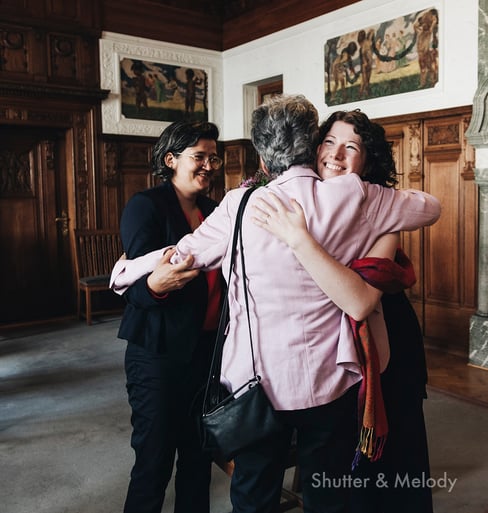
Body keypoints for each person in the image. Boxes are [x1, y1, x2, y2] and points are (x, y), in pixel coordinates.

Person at [110, 94, 441, 513]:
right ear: (313, 145)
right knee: (328, 494)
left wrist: (124, 272)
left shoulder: (240, 204)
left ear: (263, 158)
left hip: (256, 384)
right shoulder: (356, 196)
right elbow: (431, 207)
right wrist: (379, 197)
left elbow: (181, 254)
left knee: (253, 494)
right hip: (329, 380)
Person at [253, 109, 434, 512]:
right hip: (329, 352)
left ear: (367, 161)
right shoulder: (302, 200)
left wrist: (300, 240)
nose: (335, 154)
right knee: (337, 464)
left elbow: (360, 300)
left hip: (379, 342)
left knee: (387, 460)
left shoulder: (381, 213)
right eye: (329, 143)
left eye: (351, 147)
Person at [117, 120, 225, 513]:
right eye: (199, 156)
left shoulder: (215, 211)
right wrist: (156, 286)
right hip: (158, 355)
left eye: (214, 157)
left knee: (198, 462)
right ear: (170, 159)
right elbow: (133, 287)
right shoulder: (146, 206)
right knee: (154, 461)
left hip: (207, 355)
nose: (209, 165)